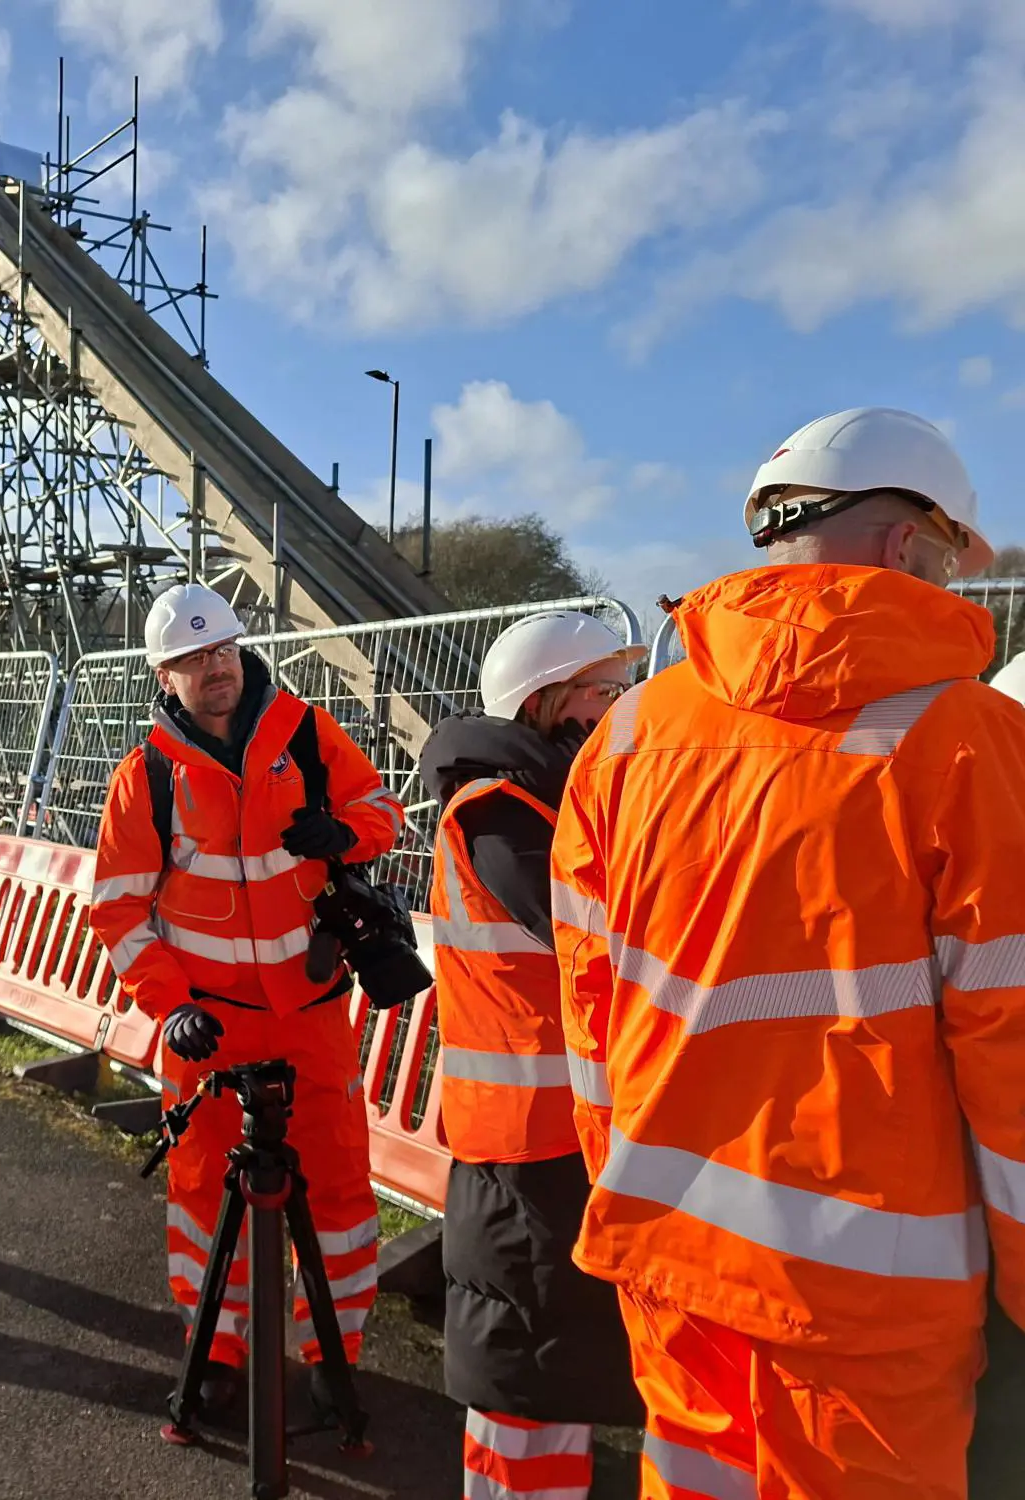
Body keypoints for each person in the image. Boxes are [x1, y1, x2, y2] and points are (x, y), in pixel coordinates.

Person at [552, 407, 1025, 1498]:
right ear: (906, 544)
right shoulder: (970, 741)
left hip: (670, 1260)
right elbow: (1012, 1049)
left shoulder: (625, 734)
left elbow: (590, 1015)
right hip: (872, 1311)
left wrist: (622, 1184)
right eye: (949, 561)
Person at [88, 583, 404, 1416]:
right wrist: (169, 1005)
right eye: (194, 659)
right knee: (203, 1195)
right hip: (209, 1030)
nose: (215, 668)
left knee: (338, 1191)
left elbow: (381, 807)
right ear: (164, 676)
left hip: (312, 1017)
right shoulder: (147, 776)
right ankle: (217, 1349)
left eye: (223, 650)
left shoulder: (307, 735)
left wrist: (349, 834)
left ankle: (333, 1354)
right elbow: (118, 910)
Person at [418, 611, 646, 1500]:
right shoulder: (499, 816)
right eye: (605, 691)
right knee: (526, 1382)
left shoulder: (548, 803)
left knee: (558, 1372)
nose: (621, 707)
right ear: (547, 702)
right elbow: (603, 934)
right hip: (523, 1154)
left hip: (561, 1144)